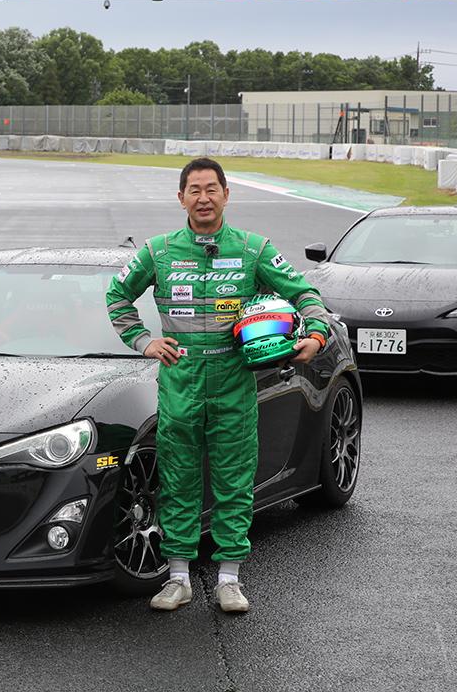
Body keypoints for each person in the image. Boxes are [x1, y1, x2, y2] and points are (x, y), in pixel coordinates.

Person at [104, 158, 330, 614]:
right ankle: (178, 579)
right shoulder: (158, 251)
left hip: (234, 382)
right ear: (181, 197)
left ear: (227, 195)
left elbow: (305, 294)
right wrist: (144, 341)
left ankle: (230, 579)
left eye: (212, 189)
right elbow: (117, 296)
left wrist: (316, 334)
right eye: (194, 190)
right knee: (178, 480)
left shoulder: (254, 249)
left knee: (234, 479)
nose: (203, 198)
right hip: (180, 383)